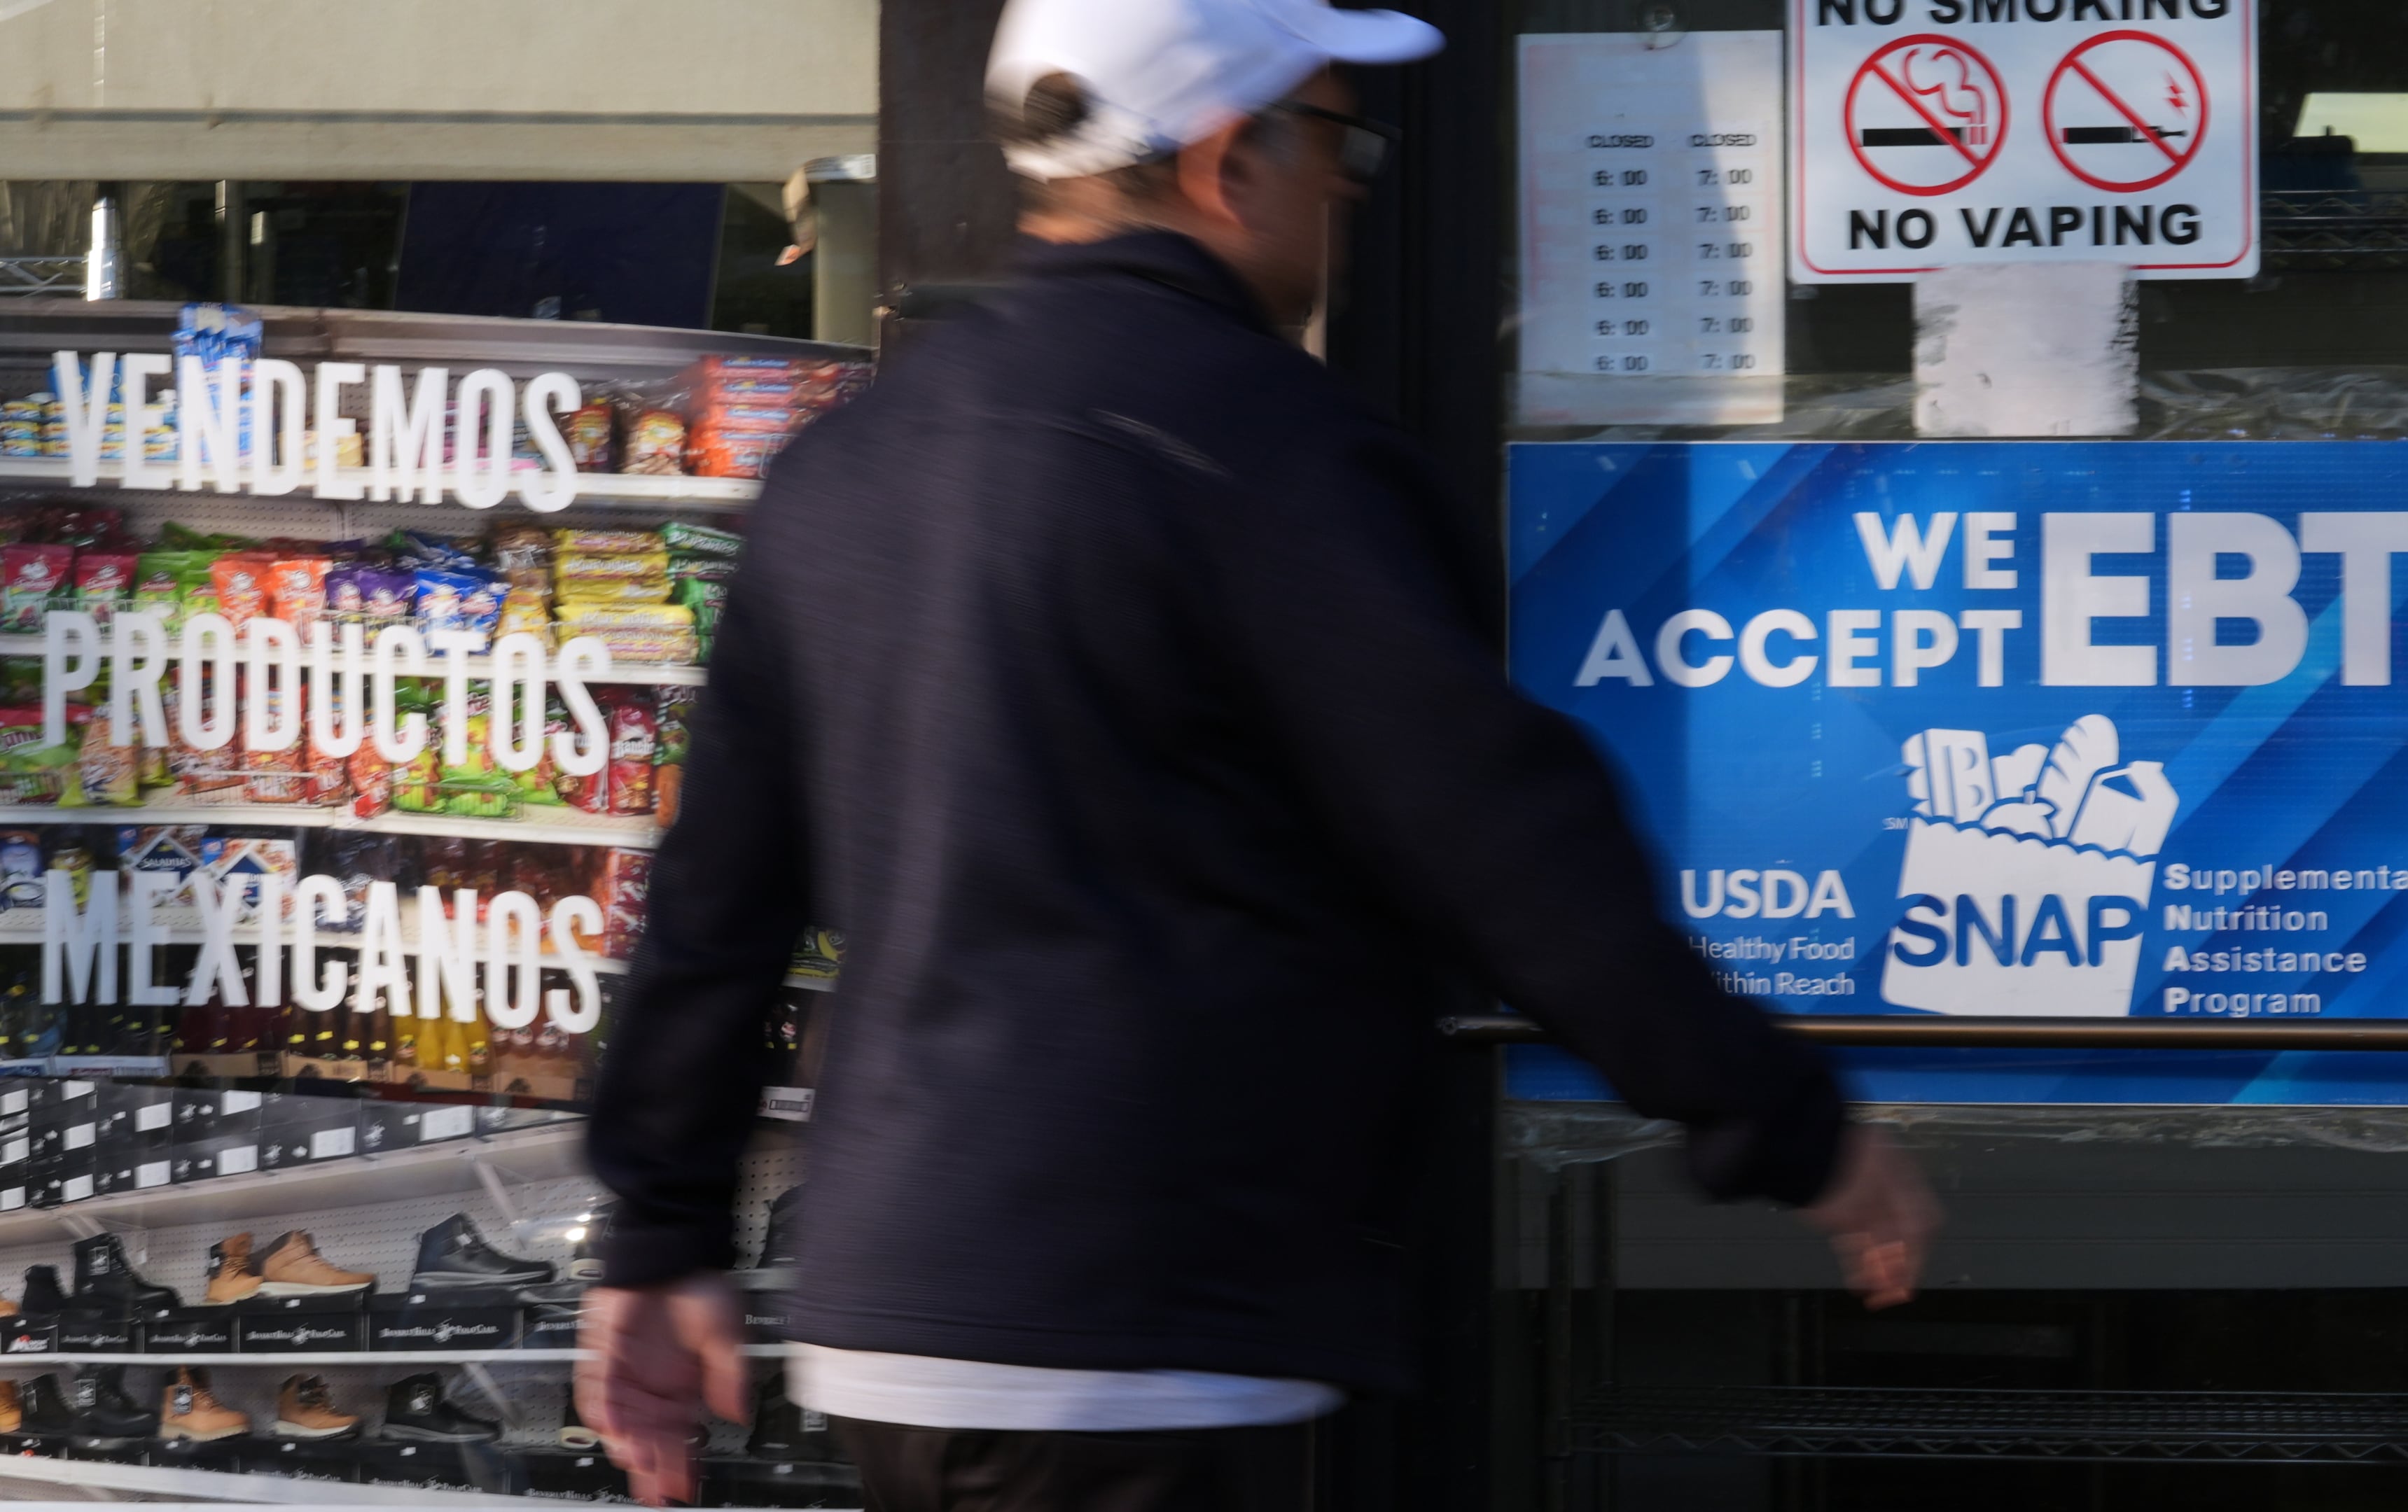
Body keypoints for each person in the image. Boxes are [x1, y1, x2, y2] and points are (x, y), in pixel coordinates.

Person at [576, 0, 1940, 1506]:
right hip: (1148, 1317)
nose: (1355, 184)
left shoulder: (846, 468)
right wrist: (1784, 1122)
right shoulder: (1271, 451)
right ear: (1235, 160)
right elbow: (1501, 842)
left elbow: (717, 900)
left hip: (893, 1317)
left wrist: (659, 1232)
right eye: (1343, 138)